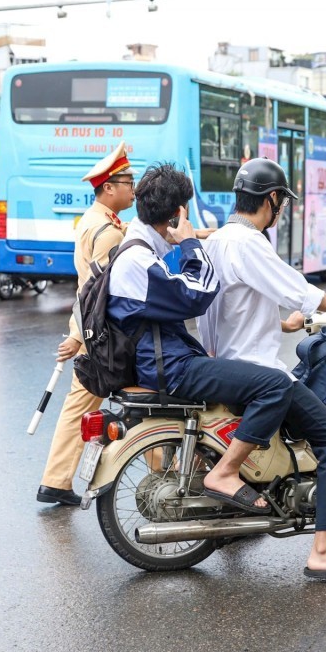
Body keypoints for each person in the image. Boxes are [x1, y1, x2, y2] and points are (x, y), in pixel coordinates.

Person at [197, 158, 326, 581]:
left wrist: (281, 323)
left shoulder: (219, 240)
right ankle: (324, 552)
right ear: (272, 200)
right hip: (256, 371)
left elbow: (236, 304)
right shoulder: (250, 244)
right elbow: (308, 296)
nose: (280, 209)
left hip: (224, 363)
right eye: (281, 201)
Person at [108, 162, 297, 518]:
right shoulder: (138, 260)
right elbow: (201, 292)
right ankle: (224, 475)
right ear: (180, 212)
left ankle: (224, 493)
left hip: (160, 361)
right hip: (169, 368)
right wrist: (193, 243)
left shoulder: (138, 247)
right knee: (273, 385)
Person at [36, 142, 135, 506]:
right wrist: (79, 335)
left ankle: (56, 480)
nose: (133, 188)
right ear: (108, 187)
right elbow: (98, 290)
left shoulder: (94, 221)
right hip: (106, 334)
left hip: (94, 332)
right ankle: (168, 474)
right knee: (150, 402)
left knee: (80, 406)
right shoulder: (106, 231)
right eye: (127, 181)